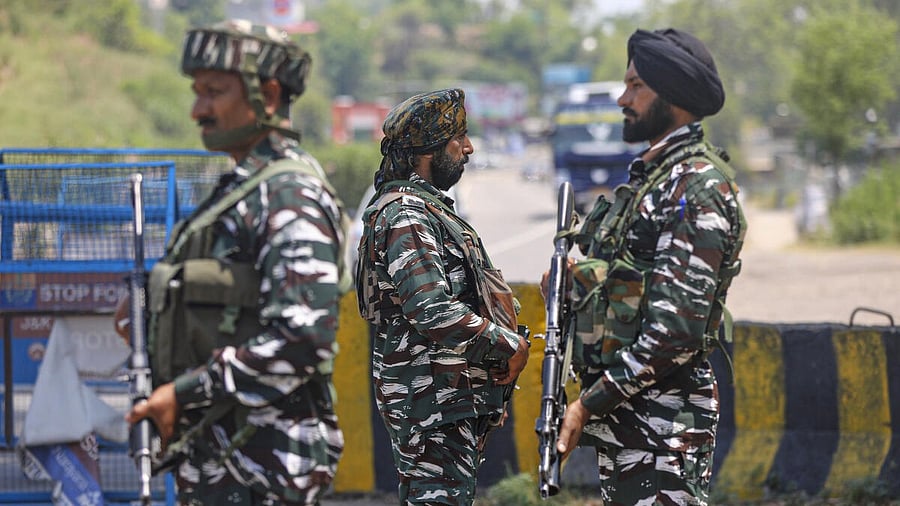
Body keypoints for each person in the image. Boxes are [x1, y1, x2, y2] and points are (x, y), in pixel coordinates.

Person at [119, 19, 348, 506]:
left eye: (213, 92)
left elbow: (304, 337)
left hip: (260, 470)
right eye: (197, 92)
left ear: (265, 94)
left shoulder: (289, 195)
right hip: (226, 466)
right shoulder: (246, 187)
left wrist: (185, 392)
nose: (197, 109)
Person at [553, 28, 747, 505]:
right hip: (636, 421)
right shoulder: (656, 178)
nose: (623, 97)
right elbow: (626, 283)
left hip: (665, 426)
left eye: (636, 85)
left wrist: (587, 403)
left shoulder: (697, 188)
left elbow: (675, 331)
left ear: (673, 96)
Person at [355, 88, 529, 505]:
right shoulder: (407, 216)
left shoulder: (424, 209)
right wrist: (507, 345)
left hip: (443, 402)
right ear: (428, 150)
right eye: (459, 138)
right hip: (430, 405)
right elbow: (430, 309)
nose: (468, 149)